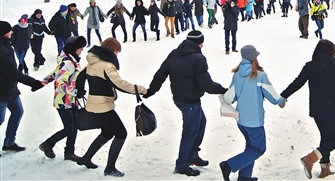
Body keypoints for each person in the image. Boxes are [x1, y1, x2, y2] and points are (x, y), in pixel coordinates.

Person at [144, 30, 227, 176]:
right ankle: (182, 164)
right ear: (199, 43)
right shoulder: (198, 59)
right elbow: (206, 84)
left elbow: (160, 74)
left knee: (201, 123)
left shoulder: (175, 53)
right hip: (190, 102)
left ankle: (193, 154)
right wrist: (224, 90)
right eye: (201, 43)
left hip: (180, 98)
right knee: (190, 132)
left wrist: (152, 90)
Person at [76, 38, 147, 177]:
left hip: (94, 103)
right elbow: (119, 84)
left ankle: (86, 158)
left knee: (107, 132)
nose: (117, 54)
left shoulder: (93, 62)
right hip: (103, 106)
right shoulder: (106, 65)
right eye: (116, 51)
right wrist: (141, 89)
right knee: (121, 133)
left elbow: (80, 76)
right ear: (111, 50)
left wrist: (80, 90)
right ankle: (110, 168)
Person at [281, 40, 335, 179]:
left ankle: (325, 169)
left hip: (317, 109)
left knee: (326, 138)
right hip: (332, 107)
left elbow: (297, 83)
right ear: (332, 51)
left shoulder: (310, 66)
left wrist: (283, 96)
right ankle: (310, 158)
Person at [219, 45, 285, 181]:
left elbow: (229, 98)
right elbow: (273, 97)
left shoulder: (237, 75)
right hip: (254, 122)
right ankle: (228, 165)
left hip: (241, 120)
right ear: (255, 58)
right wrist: (281, 101)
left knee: (250, 147)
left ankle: (244, 177)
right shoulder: (260, 76)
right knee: (259, 149)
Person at [38, 36, 87, 161]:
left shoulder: (70, 60)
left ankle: (69, 152)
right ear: (73, 49)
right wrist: (76, 92)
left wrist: (43, 82)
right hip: (63, 100)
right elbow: (60, 84)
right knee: (69, 128)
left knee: (74, 126)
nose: (81, 50)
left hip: (70, 100)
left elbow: (55, 73)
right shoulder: (68, 63)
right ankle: (48, 144)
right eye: (80, 48)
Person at [0, 21, 44, 153]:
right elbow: (13, 72)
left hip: (10, 89)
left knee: (18, 112)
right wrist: (33, 82)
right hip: (1, 92)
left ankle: (9, 142)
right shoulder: (1, 50)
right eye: (9, 31)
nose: (12, 32)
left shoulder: (6, 45)